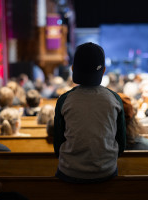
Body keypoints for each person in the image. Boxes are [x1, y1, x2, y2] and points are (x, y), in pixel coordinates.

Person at [53, 42, 126, 183]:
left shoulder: (64, 100)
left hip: (70, 172)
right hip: (106, 171)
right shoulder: (114, 99)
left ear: (73, 69)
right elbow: (121, 144)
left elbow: (58, 145)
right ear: (103, 70)